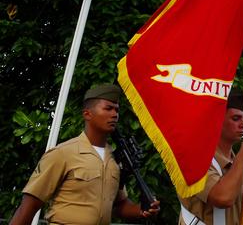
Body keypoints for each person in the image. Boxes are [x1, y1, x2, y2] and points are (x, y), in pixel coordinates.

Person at [9, 83, 160, 225]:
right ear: (87, 114)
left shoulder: (114, 159)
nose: (114, 114)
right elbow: (28, 207)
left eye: (116, 110)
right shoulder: (62, 153)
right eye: (108, 108)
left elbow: (117, 205)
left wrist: (142, 209)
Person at [178, 87, 243, 225]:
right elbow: (222, 197)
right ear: (216, 121)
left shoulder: (236, 162)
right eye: (235, 118)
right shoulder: (194, 157)